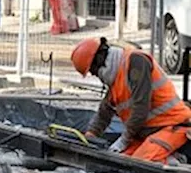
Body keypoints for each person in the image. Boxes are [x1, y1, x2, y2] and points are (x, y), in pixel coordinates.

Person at [73, 36, 191, 164]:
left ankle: (179, 158)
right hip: (145, 134)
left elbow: (141, 108)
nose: (95, 75)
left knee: (141, 164)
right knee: (119, 162)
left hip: (172, 126)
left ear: (99, 60)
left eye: (92, 71)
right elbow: (104, 113)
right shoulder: (115, 79)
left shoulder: (136, 62)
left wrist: (124, 140)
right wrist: (90, 136)